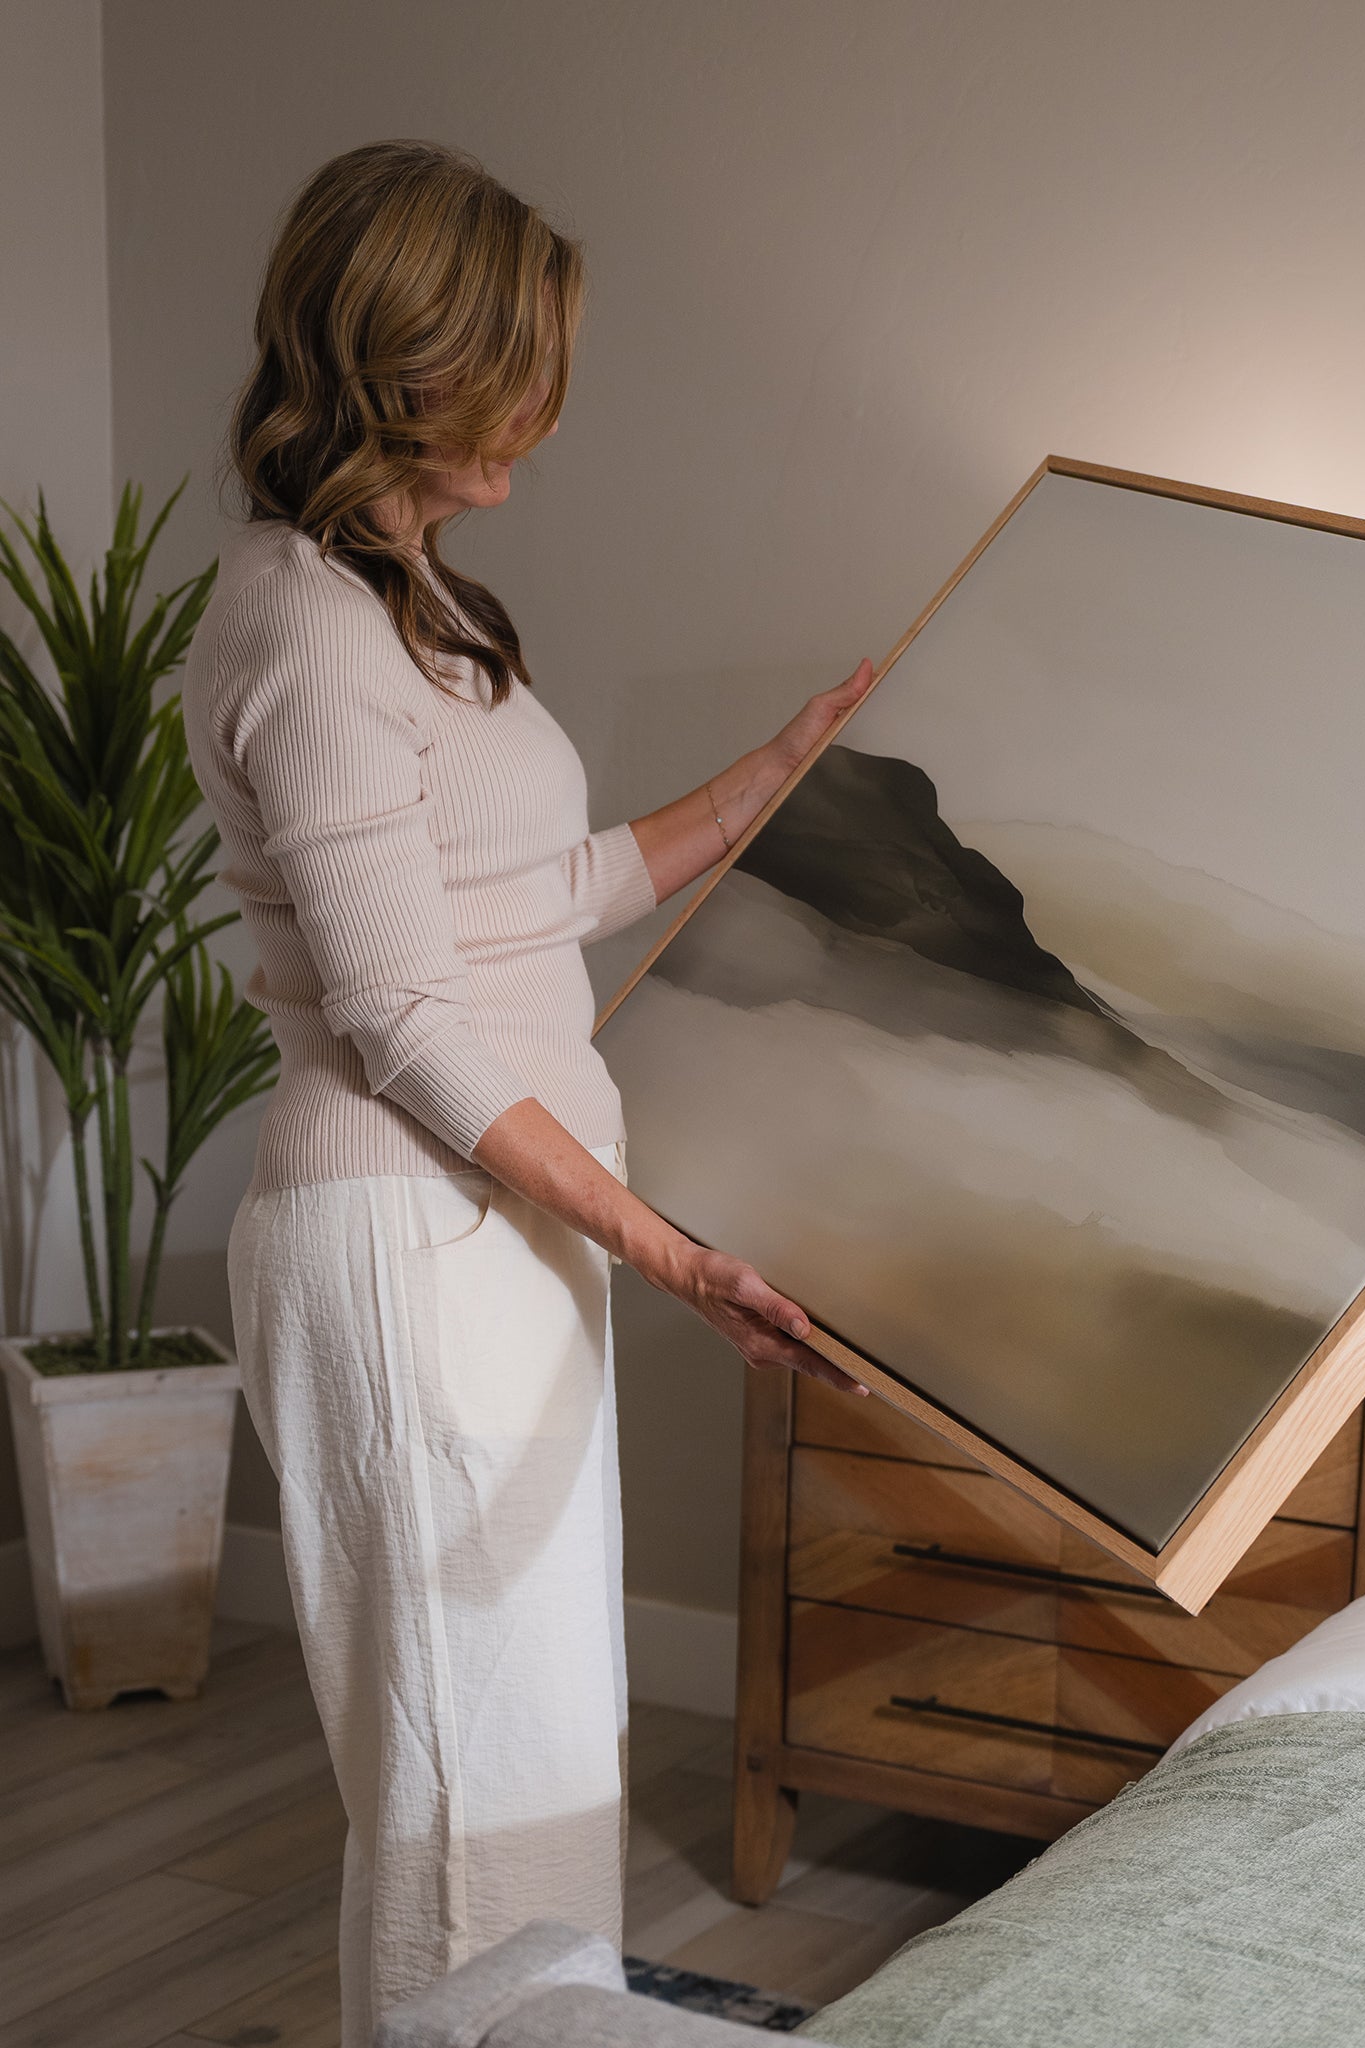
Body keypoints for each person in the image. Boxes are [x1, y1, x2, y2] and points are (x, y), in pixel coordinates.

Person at [186, 139, 870, 2046]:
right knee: (466, 1797)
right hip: (405, 1236)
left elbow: (526, 907)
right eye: (515, 369)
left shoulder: (407, 597)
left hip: (494, 1237)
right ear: (400, 358)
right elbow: (404, 1014)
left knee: (539, 1763)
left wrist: (767, 780)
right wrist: (672, 1252)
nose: (545, 414)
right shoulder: (305, 629)